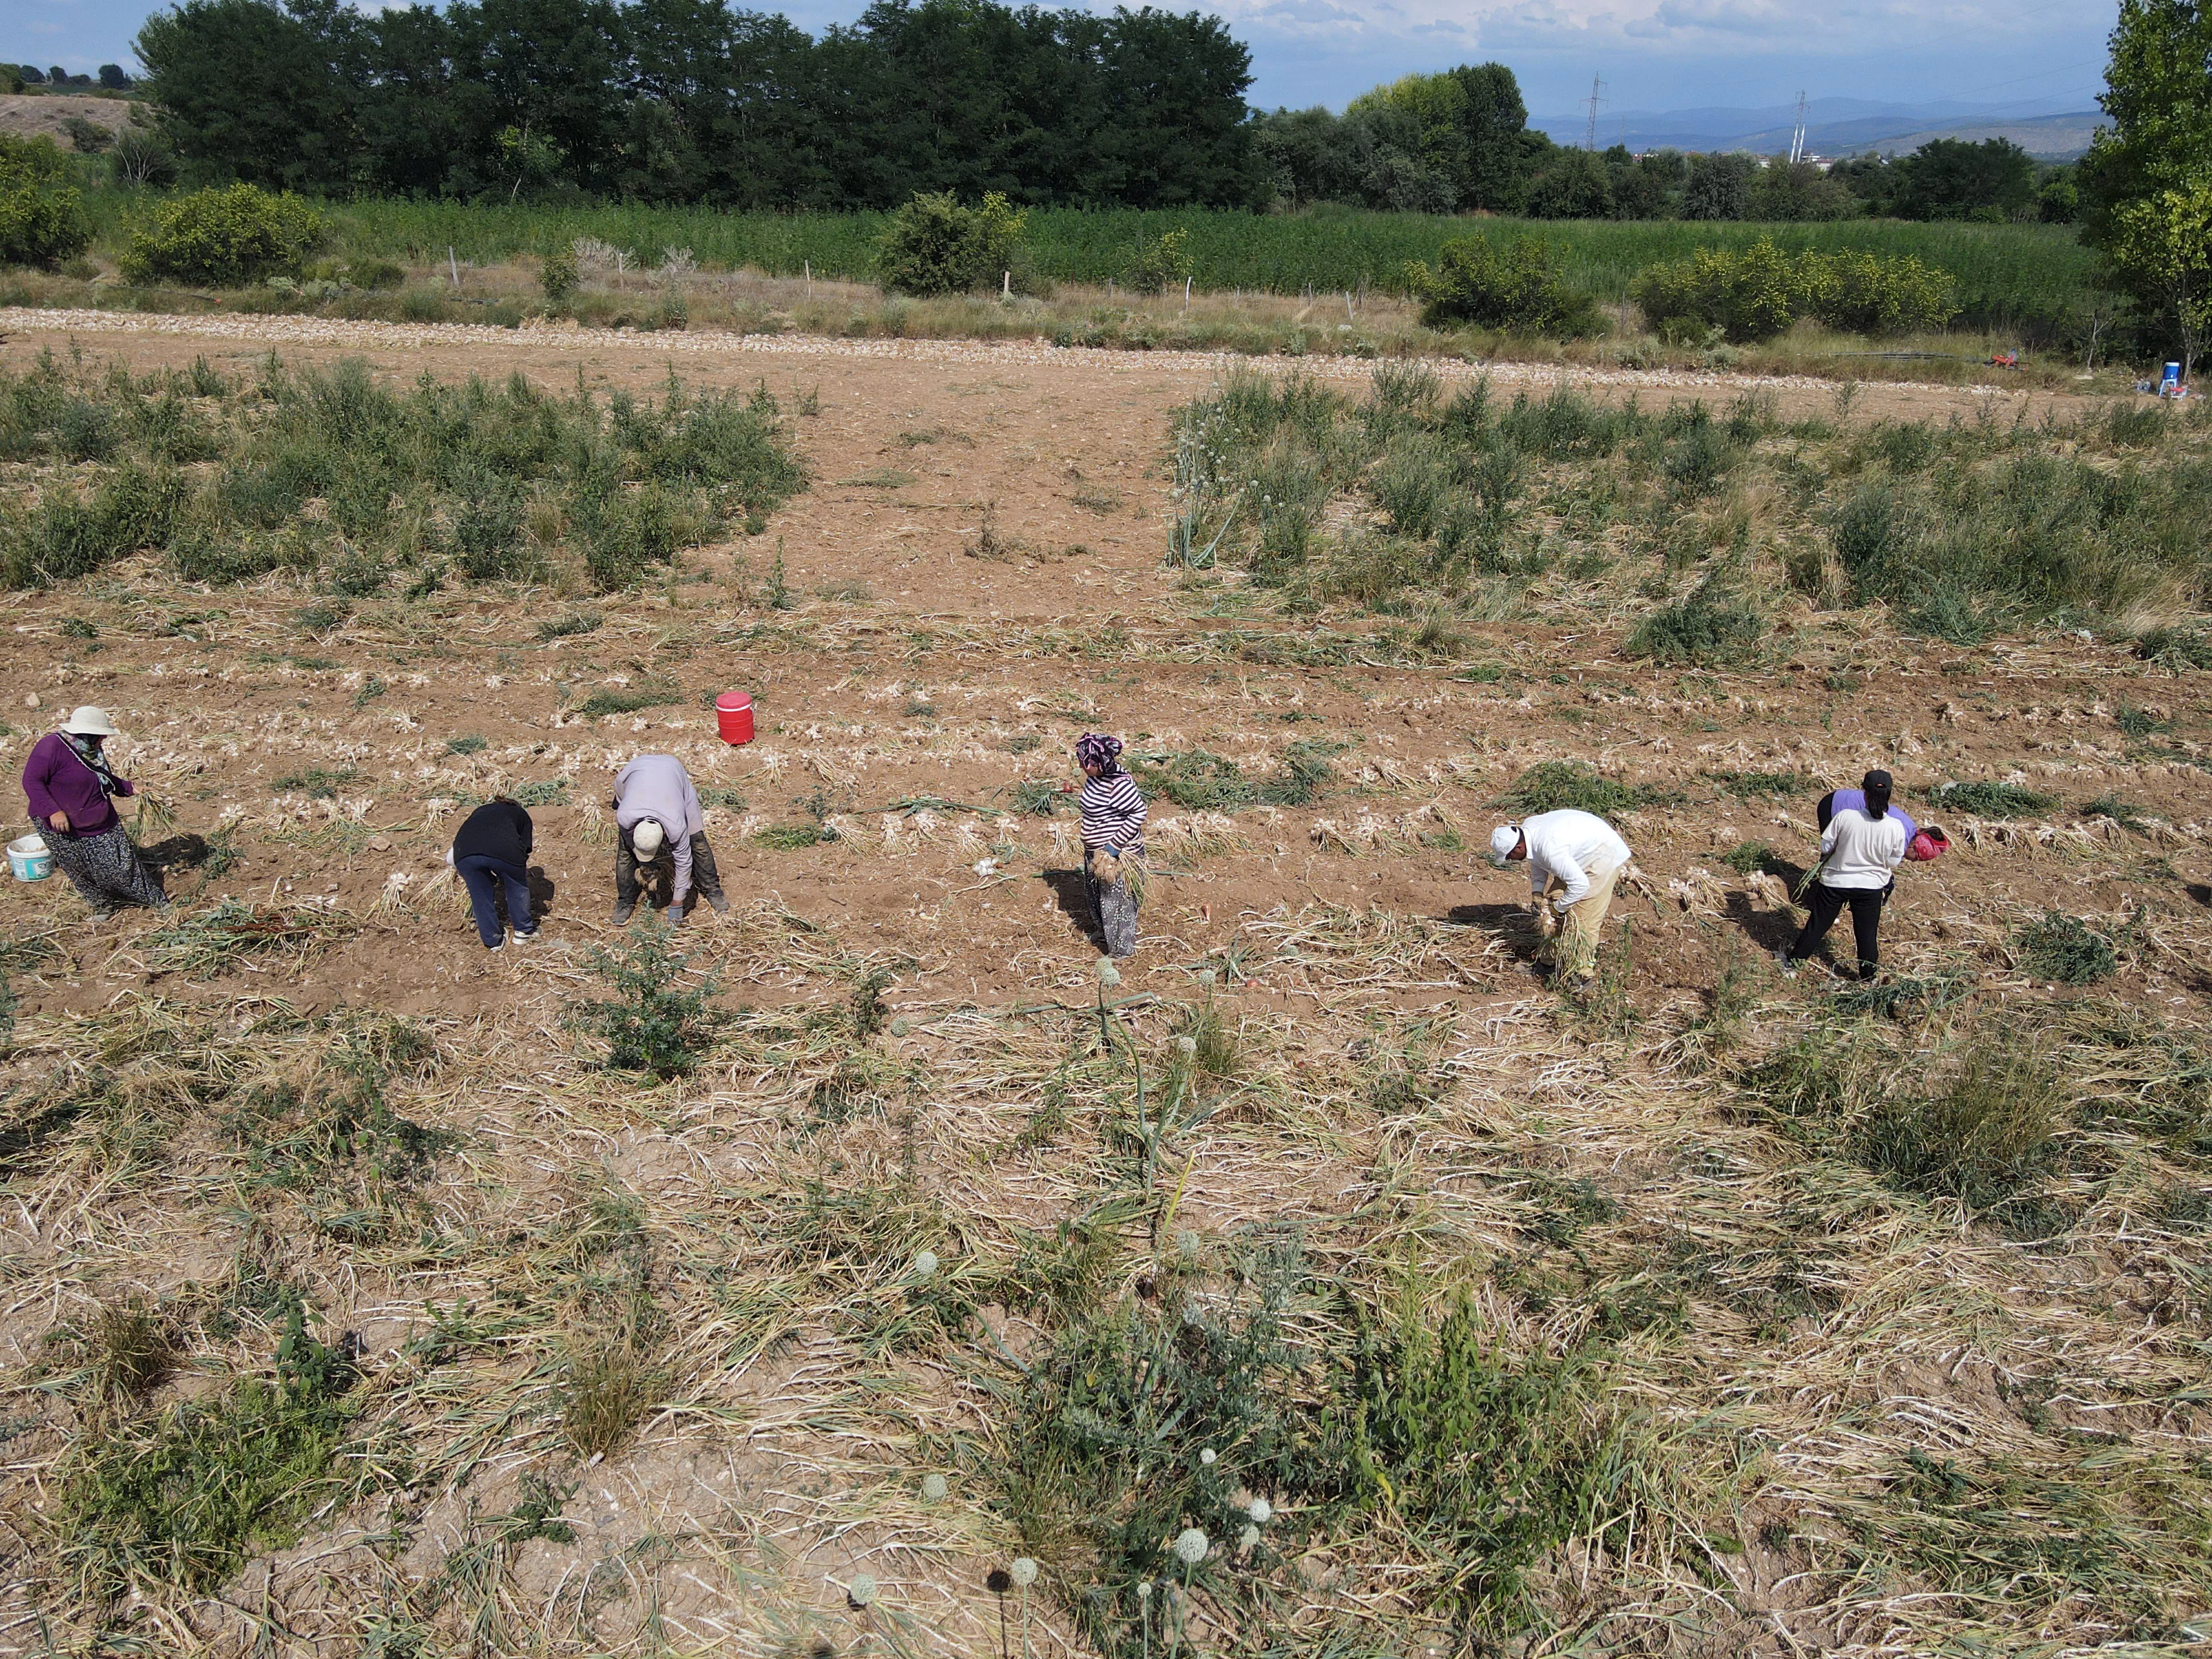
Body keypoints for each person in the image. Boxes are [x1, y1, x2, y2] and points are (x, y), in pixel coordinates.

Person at [21, 706, 165, 919]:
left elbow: (101, 776)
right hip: (60, 823)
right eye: (100, 736)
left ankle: (155, 901)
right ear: (86, 734)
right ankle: (102, 904)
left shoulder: (90, 751)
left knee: (121, 867)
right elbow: (31, 781)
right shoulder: (51, 747)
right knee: (77, 867)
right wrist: (53, 811)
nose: (104, 740)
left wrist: (128, 788)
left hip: (97, 820)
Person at [1780, 769, 1906, 980]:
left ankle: (1793, 965)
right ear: (1889, 795)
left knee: (1818, 925)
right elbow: (1893, 861)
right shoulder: (1895, 827)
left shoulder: (1846, 817)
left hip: (1836, 883)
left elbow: (1826, 845)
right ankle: (1868, 977)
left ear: (1863, 792)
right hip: (1872, 886)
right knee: (1866, 934)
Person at [1490, 808, 1632, 988]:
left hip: (1603, 856)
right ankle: (1547, 963)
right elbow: (1536, 859)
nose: (1510, 860)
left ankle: (1583, 977)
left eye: (1510, 856)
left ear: (1518, 847)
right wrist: (1538, 891)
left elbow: (1580, 885)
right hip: (1579, 856)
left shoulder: (1550, 848)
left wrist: (1560, 908)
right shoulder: (1529, 833)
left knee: (1584, 922)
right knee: (1553, 913)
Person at [611, 753, 728, 925]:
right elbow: (620, 785)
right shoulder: (625, 816)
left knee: (697, 842)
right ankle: (625, 900)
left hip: (673, 774)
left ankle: (713, 890)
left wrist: (677, 902)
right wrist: (645, 862)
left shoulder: (676, 824)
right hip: (638, 770)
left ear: (665, 834)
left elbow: (684, 862)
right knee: (625, 853)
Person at [1077, 733, 1146, 959]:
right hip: (1096, 853)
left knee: (1117, 903)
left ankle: (1121, 950)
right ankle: (1104, 932)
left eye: (1084, 761)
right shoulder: (1096, 779)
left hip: (1115, 856)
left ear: (1099, 763)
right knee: (1096, 894)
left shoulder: (1119, 786)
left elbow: (1139, 813)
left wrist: (1114, 846)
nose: (1080, 765)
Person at [451, 795, 536, 950]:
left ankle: (493, 942)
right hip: (505, 850)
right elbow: (525, 848)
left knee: (480, 897)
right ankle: (523, 932)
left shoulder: (480, 811)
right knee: (517, 886)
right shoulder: (520, 813)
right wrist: (510, 874)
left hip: (463, 853)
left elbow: (454, 854)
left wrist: (489, 877)